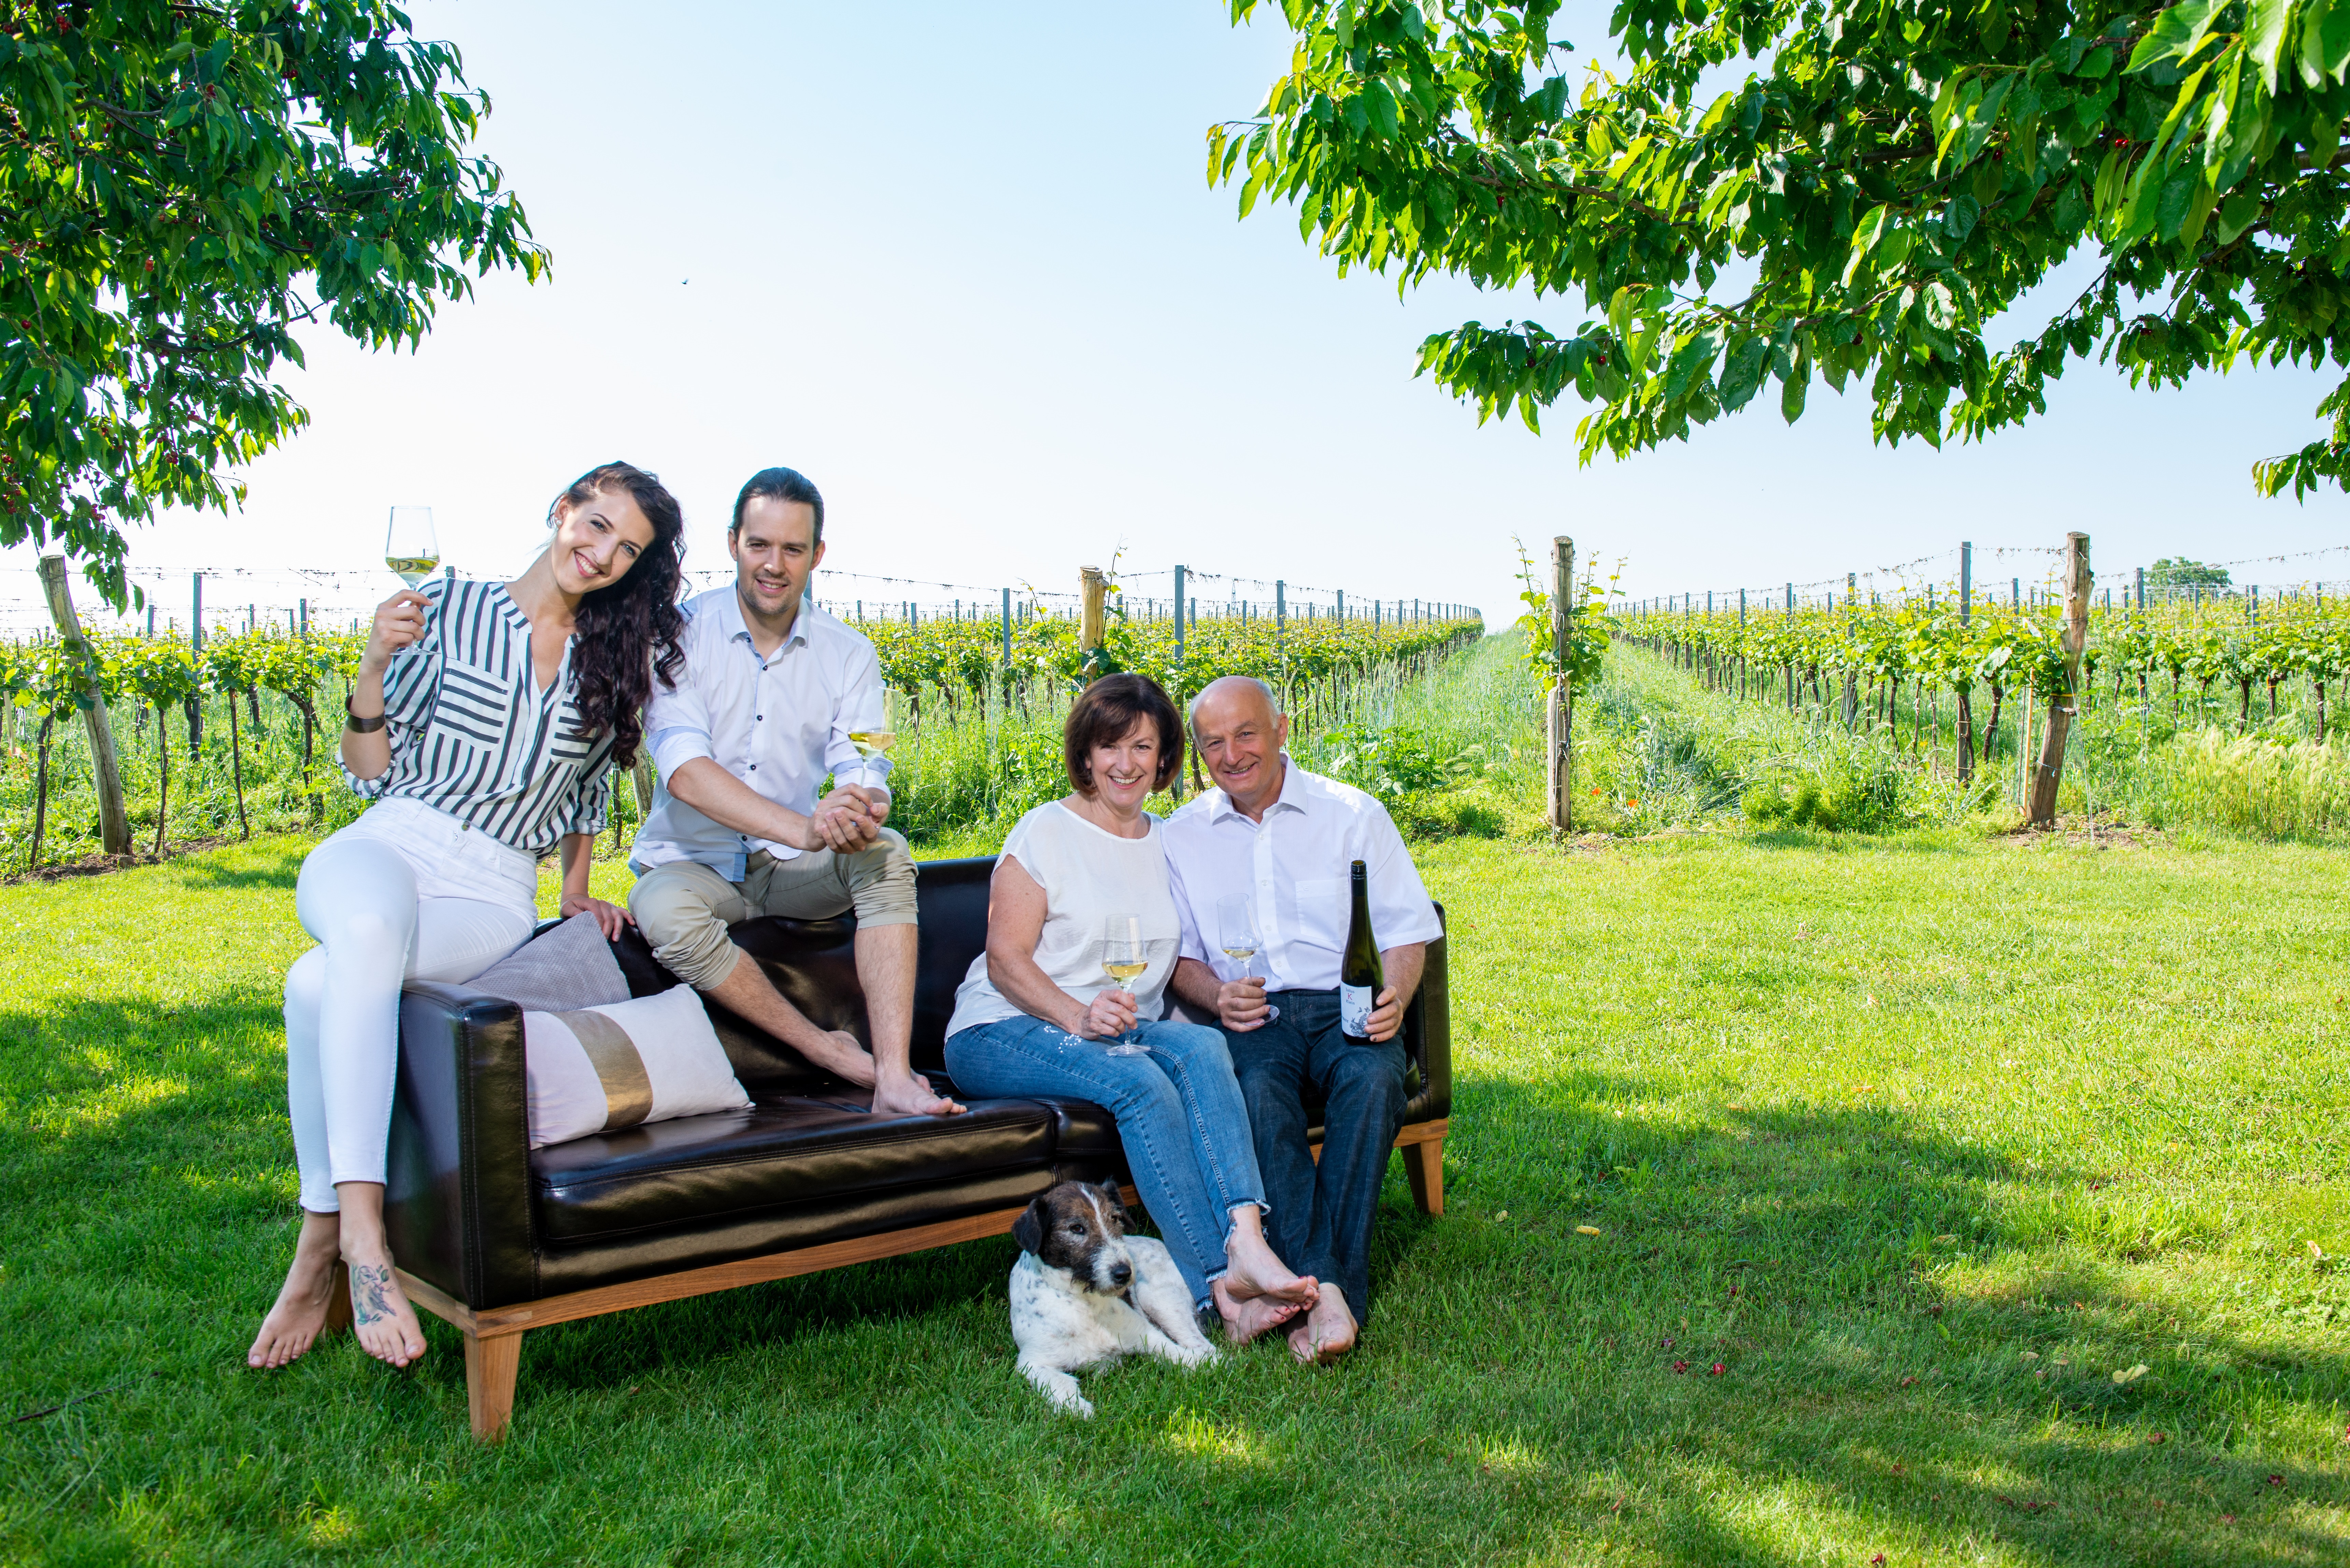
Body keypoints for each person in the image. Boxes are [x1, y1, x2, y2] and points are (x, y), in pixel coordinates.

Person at [248, 461, 686, 1373]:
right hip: (389, 842)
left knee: (318, 984)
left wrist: (574, 887)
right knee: (366, 934)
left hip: (491, 891)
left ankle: (317, 1240)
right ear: (561, 509)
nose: (601, 553)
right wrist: (373, 662)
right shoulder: (448, 608)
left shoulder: (609, 658)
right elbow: (369, 769)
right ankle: (362, 1236)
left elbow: (587, 789)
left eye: (626, 549)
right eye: (595, 524)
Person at [943, 674, 1319, 1342]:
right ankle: (1218, 1292)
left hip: (1117, 1028)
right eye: (1109, 746)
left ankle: (1247, 1243)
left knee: (1203, 1047)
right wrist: (1074, 1015)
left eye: (1142, 747)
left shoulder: (1166, 842)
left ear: (1164, 757)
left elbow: (1183, 954)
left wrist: (1225, 993)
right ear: (1085, 755)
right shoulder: (1046, 831)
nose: (1125, 763)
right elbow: (1004, 959)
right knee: (1140, 1081)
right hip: (1001, 1027)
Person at [627, 467, 961, 1118]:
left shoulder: (849, 653)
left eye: (792, 549)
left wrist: (858, 810)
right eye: (759, 545)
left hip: (787, 871)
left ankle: (894, 1077)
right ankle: (829, 1052)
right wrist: (805, 828)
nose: (773, 565)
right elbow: (685, 771)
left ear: (817, 554)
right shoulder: (676, 637)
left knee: (887, 853)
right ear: (733, 543)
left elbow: (863, 765)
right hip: (691, 864)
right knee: (663, 911)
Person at [1163, 675, 1442, 1365]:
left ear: (1282, 729)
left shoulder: (1351, 814)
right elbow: (1178, 956)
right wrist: (1214, 996)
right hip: (1252, 1009)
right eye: (1212, 742)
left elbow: (1407, 929)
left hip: (1345, 1002)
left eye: (1246, 734)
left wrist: (1394, 996)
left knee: (1371, 1083)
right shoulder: (1181, 836)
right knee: (1258, 1093)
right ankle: (1335, 1295)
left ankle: (1319, 1289)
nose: (1231, 755)